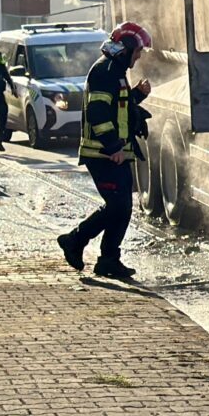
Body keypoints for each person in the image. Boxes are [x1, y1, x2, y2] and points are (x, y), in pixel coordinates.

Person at [57, 22, 153, 279]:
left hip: (111, 152)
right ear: (126, 50)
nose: (139, 56)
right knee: (118, 206)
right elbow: (99, 113)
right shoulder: (105, 71)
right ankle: (75, 240)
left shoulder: (115, 70)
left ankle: (108, 259)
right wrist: (113, 147)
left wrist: (137, 96)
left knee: (121, 207)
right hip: (102, 153)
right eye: (137, 51)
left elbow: (116, 106)